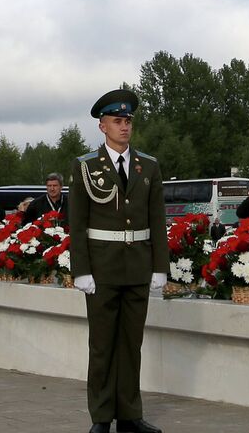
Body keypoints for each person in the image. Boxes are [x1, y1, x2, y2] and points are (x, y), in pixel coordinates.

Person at [69, 88, 167, 433]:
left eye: (128, 121)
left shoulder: (149, 166)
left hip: (138, 267)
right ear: (102, 126)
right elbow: (77, 224)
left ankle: (129, 414)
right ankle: (100, 417)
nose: (124, 127)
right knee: (101, 347)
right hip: (102, 270)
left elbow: (158, 221)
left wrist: (159, 267)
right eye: (117, 121)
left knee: (131, 346)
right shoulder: (85, 167)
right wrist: (81, 270)